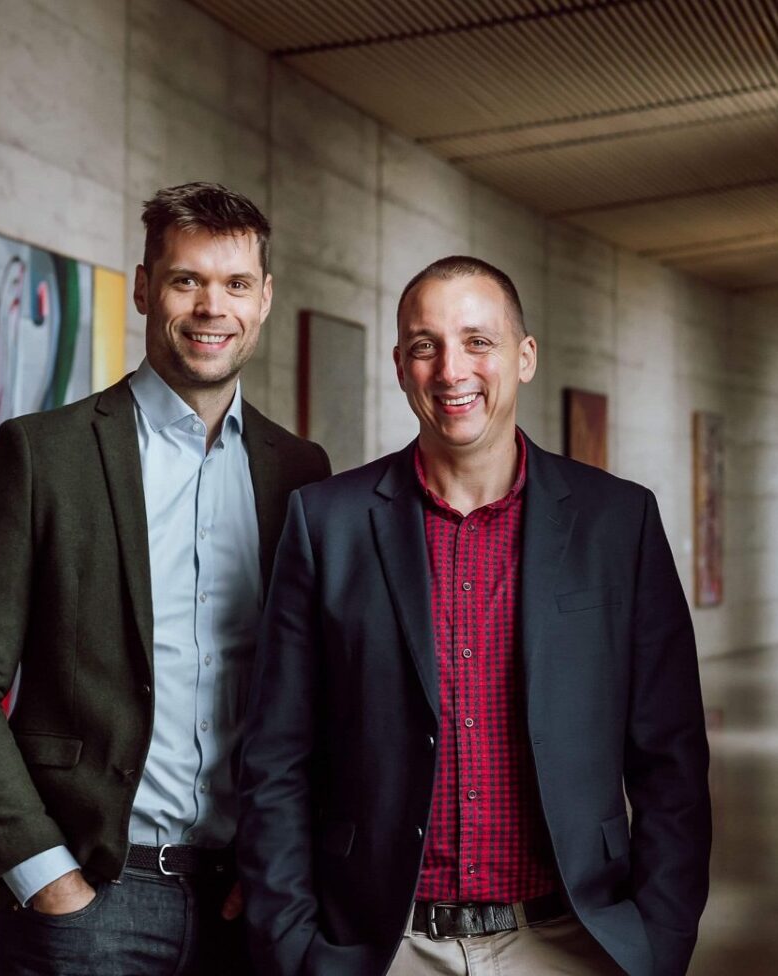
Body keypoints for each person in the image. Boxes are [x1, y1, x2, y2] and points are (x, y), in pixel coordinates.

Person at [238, 256, 711, 976]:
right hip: (384, 948)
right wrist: (295, 946)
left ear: (523, 357)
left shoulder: (619, 522)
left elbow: (669, 760)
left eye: (477, 341)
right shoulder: (326, 524)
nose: (450, 369)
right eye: (425, 345)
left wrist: (660, 941)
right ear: (400, 365)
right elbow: (276, 756)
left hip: (569, 943)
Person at [0, 181, 330, 976]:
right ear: (145, 287)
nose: (212, 306)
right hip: (90, 899)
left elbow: (313, 686)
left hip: (245, 900)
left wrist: (278, 856)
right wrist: (43, 874)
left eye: (235, 284)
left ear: (264, 298)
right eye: (186, 281)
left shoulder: (300, 473)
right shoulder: (44, 454)